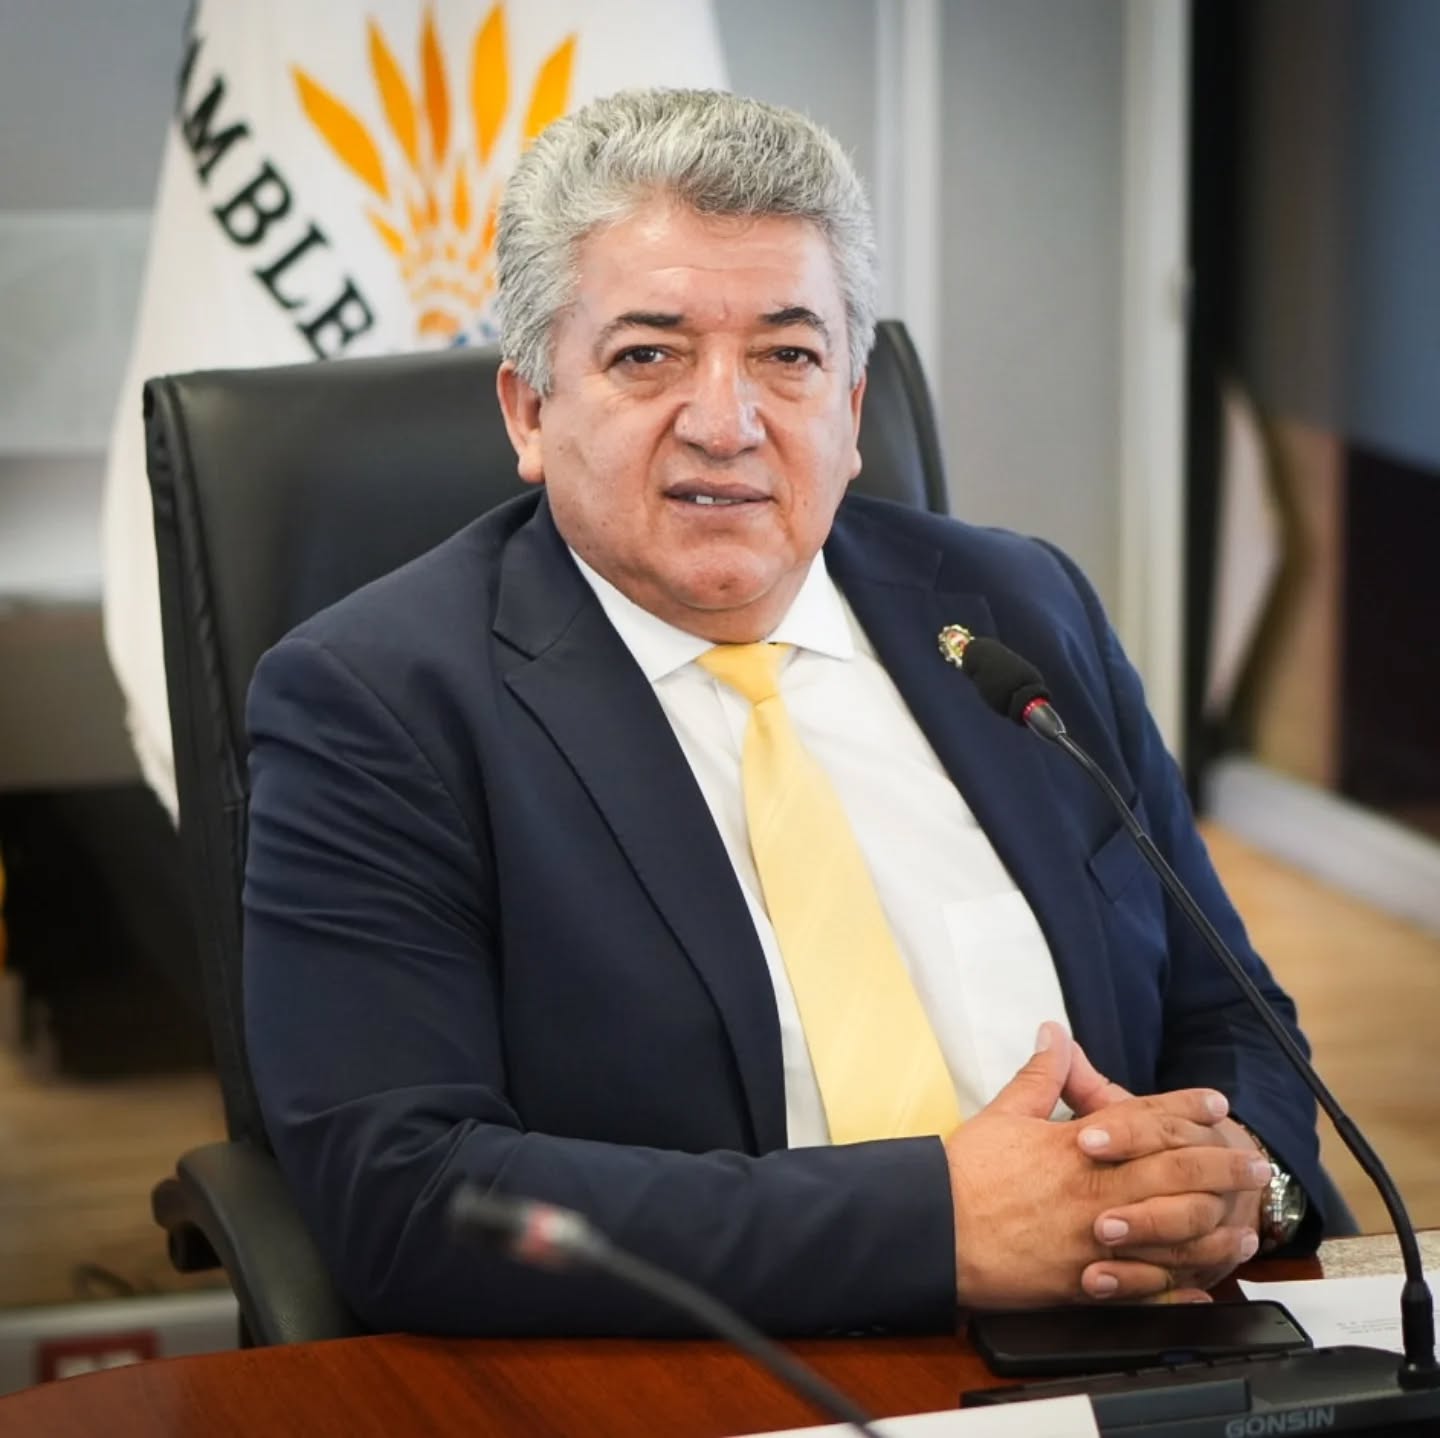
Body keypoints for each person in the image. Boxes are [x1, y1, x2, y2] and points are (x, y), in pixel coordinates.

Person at [243, 89, 1323, 1338]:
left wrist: (1246, 1182)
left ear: (852, 412)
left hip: (1129, 1331)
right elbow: (412, 1193)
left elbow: (1232, 1013)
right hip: (711, 1374)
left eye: (788, 356)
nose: (727, 422)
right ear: (530, 411)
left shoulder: (1020, 610)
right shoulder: (375, 704)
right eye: (648, 355)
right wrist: (936, 1224)